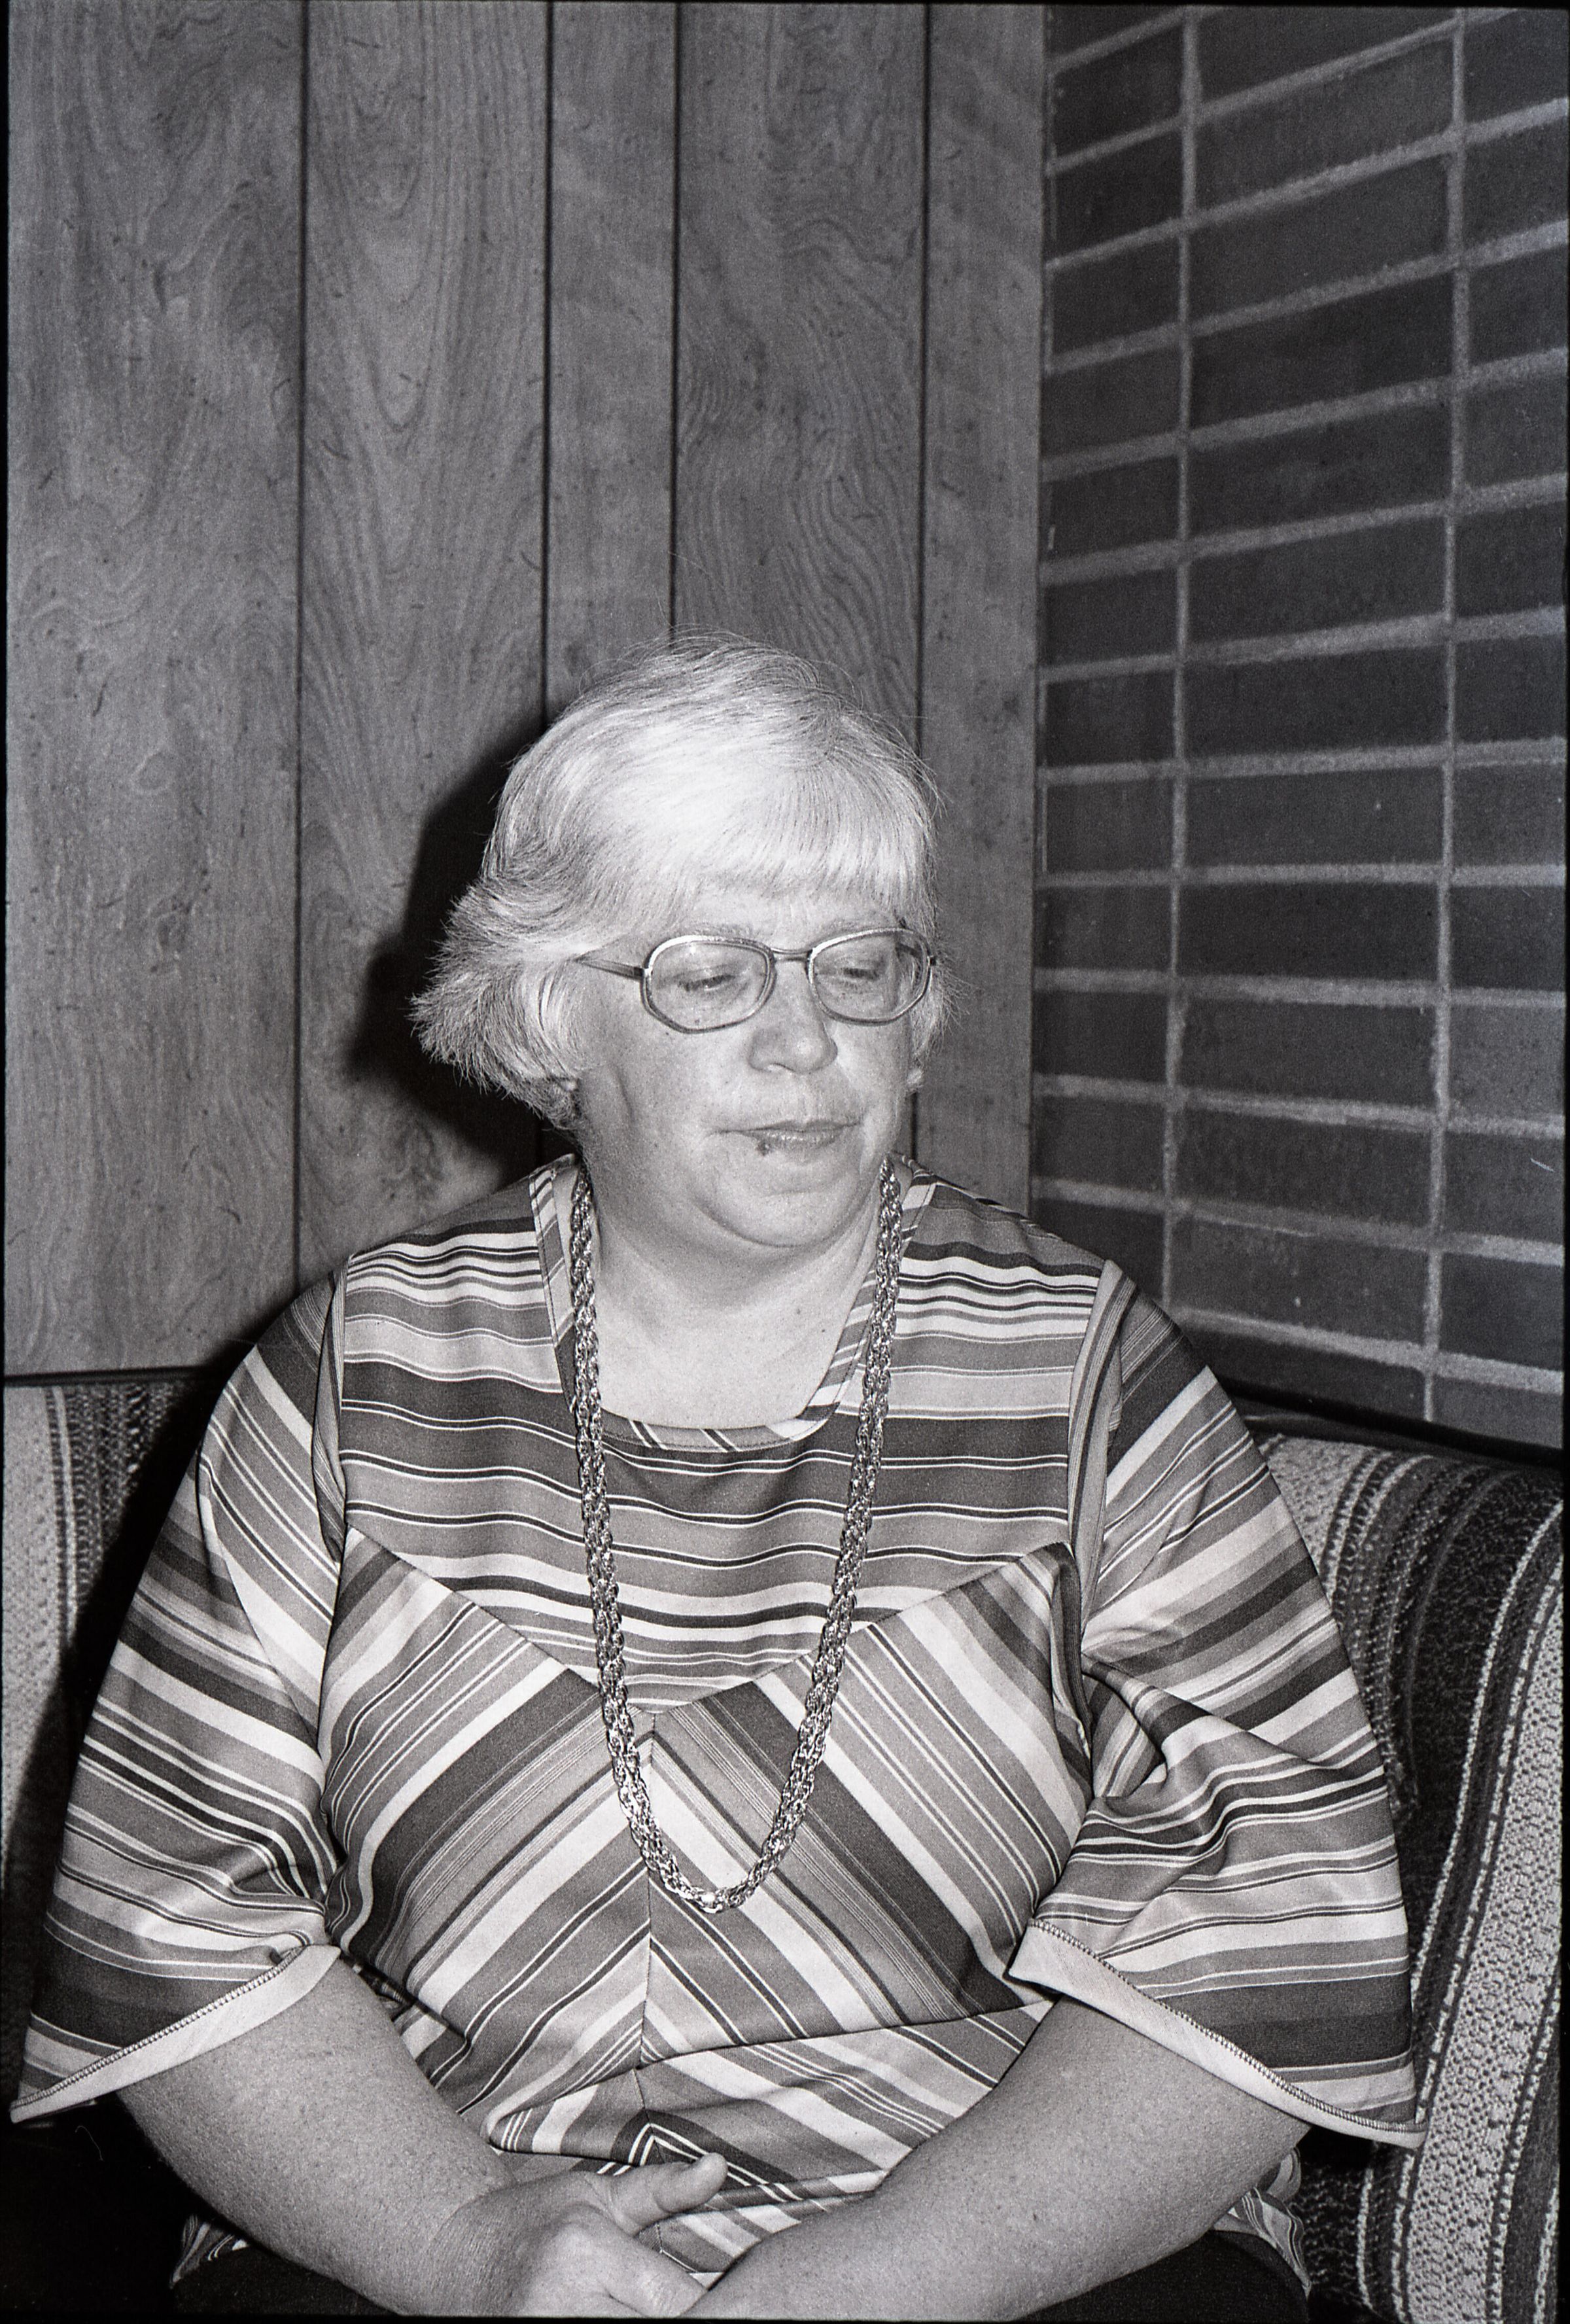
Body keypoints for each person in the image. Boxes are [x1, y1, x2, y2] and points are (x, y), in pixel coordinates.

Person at [15, 638, 1421, 2318]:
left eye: (859, 966)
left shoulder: (1089, 1378)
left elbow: (1269, 1921)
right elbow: (174, 1917)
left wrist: (899, 2274)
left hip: (1010, 2244)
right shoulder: (354, 1377)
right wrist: (463, 2240)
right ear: (552, 1015)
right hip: (436, 2217)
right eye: (712, 973)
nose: (805, 1041)